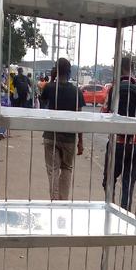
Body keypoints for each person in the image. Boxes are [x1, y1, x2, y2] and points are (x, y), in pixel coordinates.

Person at [102, 56, 136, 210]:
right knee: (128, 186)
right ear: (133, 68)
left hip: (116, 144)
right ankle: (124, 219)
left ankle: (109, 211)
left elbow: (104, 114)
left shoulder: (113, 89)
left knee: (109, 182)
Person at [39, 59, 85, 200]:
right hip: (69, 138)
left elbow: (42, 105)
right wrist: (80, 141)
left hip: (50, 136)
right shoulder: (76, 91)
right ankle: (63, 202)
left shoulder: (49, 88)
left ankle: (54, 201)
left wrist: (52, 79)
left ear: (56, 71)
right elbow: (79, 119)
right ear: (70, 72)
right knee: (67, 168)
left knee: (52, 170)